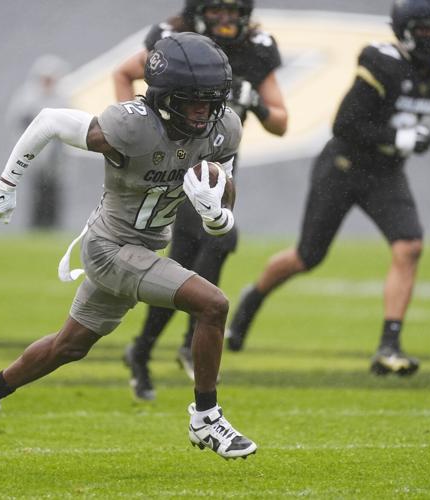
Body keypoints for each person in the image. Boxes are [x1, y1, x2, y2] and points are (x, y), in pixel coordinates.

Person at [0, 32, 257, 460]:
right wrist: (6, 183)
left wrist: (215, 214)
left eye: (212, 101)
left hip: (142, 249)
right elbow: (49, 122)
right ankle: (206, 418)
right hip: (110, 247)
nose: (204, 112)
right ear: (167, 96)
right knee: (213, 304)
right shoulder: (132, 125)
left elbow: (222, 214)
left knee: (69, 346)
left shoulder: (224, 127)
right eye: (193, 101)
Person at [225, 0, 430, 376]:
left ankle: (389, 346)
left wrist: (406, 136)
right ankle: (252, 299)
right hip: (343, 166)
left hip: (385, 173)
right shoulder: (382, 62)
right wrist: (399, 135)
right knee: (307, 257)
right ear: (404, 28)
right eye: (424, 29)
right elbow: (344, 125)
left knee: (409, 246)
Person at [113, 0, 288, 400]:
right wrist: (131, 133)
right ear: (197, 12)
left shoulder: (257, 47)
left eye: (233, 11)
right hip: (178, 162)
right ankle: (190, 336)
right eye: (217, 10)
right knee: (221, 239)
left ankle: (141, 351)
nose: (226, 20)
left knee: (184, 263)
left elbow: (281, 122)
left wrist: (256, 103)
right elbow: (123, 73)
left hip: (221, 166)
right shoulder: (172, 41)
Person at [4, 54, 70, 229]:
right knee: (37, 191)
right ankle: (37, 225)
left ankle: (52, 225)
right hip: (34, 152)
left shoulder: (61, 98)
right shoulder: (27, 97)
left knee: (54, 191)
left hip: (55, 154)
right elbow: (19, 123)